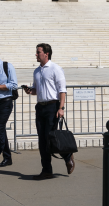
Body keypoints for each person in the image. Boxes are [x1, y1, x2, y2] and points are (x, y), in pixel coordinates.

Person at [22, 43, 74, 179]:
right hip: (40, 107)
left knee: (49, 138)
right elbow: (36, 90)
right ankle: (46, 170)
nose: (36, 54)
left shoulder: (55, 69)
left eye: (38, 52)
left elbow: (62, 90)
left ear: (46, 54)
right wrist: (29, 90)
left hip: (52, 106)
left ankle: (67, 155)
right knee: (42, 140)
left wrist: (61, 108)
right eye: (36, 52)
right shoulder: (37, 71)